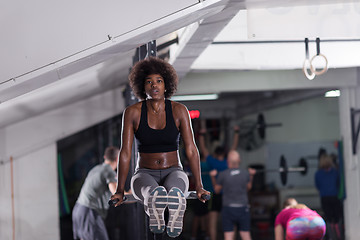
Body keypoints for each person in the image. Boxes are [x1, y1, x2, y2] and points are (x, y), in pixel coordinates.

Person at [110, 57, 209, 238]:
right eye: (149, 82)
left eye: (159, 81)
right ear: (142, 86)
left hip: (174, 171)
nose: (154, 86)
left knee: (176, 193)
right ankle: (155, 208)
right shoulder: (133, 112)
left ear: (166, 85)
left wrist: (200, 186)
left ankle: (174, 210)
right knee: (153, 193)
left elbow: (191, 149)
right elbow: (125, 153)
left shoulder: (179, 110)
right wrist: (120, 189)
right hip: (144, 173)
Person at [198, 126, 239, 240]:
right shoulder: (228, 163)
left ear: (215, 154)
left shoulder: (212, 162)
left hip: (215, 195)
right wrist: (236, 132)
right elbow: (234, 148)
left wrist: (201, 135)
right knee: (231, 221)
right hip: (228, 195)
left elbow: (203, 149)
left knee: (212, 222)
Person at [72, 146, 120, 240]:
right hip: (89, 213)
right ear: (118, 159)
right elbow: (116, 194)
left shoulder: (96, 168)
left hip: (78, 210)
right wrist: (132, 193)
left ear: (105, 157)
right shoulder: (109, 171)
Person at [210, 150, 256, 240]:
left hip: (228, 208)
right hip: (243, 208)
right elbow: (248, 188)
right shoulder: (245, 173)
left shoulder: (223, 174)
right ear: (239, 160)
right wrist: (251, 175)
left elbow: (216, 190)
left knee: (229, 237)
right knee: (245, 235)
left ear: (228, 162)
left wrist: (212, 176)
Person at [315, 154, 342, 239]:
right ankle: (339, 236)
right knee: (337, 217)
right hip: (334, 196)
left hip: (325, 197)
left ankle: (331, 236)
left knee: (329, 218)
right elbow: (338, 183)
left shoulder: (318, 174)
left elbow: (317, 185)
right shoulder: (335, 172)